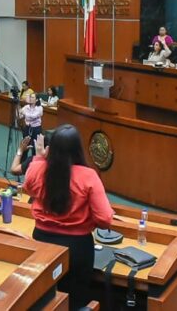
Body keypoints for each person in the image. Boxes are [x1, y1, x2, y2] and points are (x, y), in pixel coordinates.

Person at [22, 125, 114, 309]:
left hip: (41, 242)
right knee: (75, 300)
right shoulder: (89, 176)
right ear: (78, 149)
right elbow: (105, 219)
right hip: (77, 248)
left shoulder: (40, 169)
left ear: (51, 149)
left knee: (45, 297)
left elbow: (28, 186)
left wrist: (40, 156)